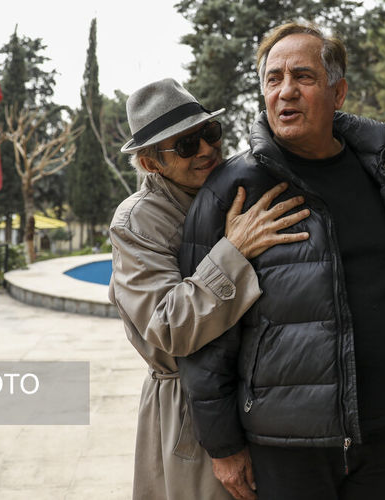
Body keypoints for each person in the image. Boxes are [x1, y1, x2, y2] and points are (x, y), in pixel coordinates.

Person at [178, 22, 385, 500]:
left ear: (338, 92)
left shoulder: (382, 173)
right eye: (273, 79)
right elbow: (205, 335)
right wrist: (223, 445)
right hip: (285, 447)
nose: (286, 91)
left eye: (303, 76)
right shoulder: (231, 190)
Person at [108, 78, 312, 500]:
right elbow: (170, 327)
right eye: (185, 145)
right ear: (149, 163)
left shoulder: (236, 188)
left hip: (258, 396)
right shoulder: (138, 222)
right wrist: (233, 251)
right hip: (188, 411)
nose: (205, 149)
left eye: (210, 133)